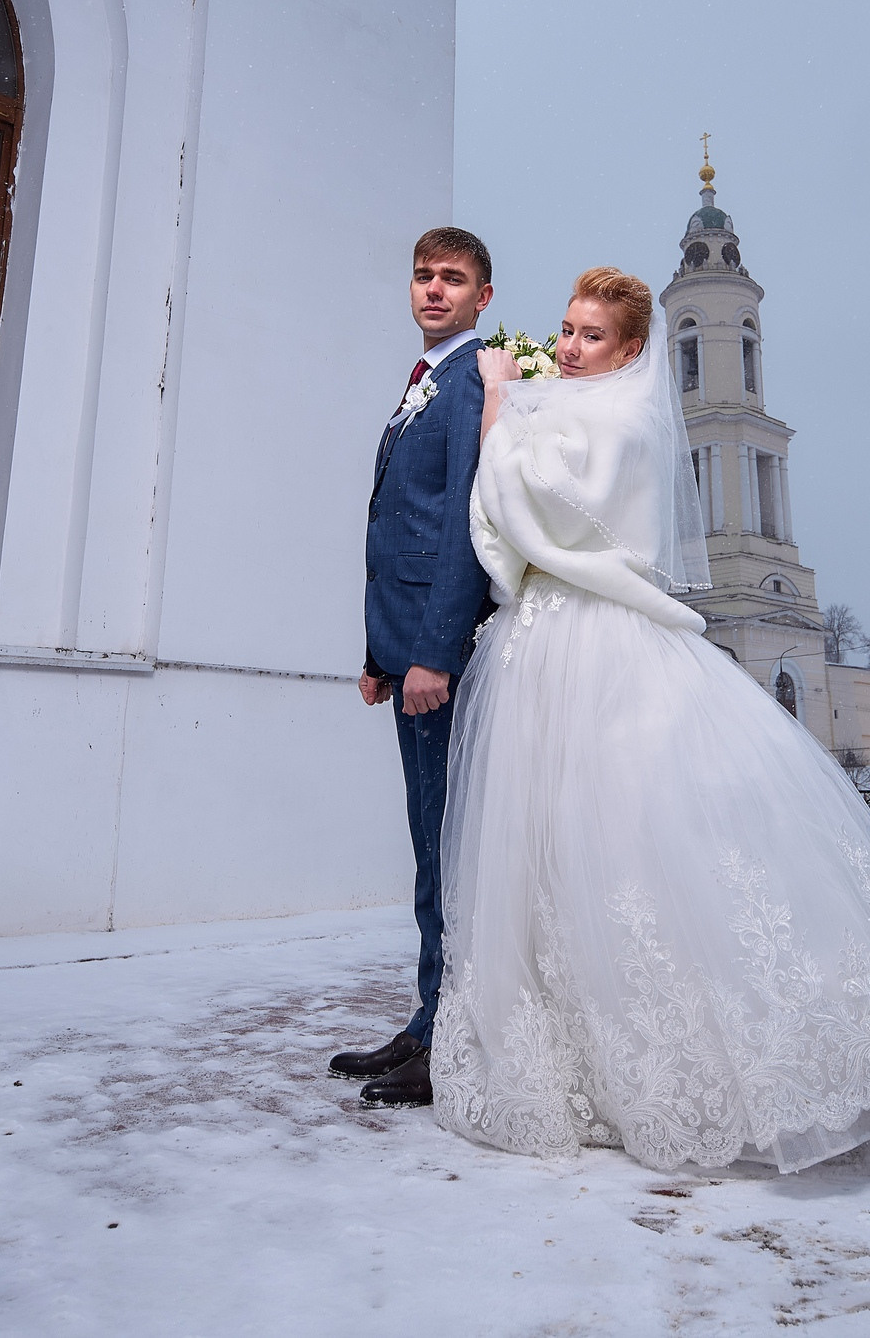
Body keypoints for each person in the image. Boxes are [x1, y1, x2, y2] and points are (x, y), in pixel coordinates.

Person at [431, 267, 870, 1171]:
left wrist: (501, 405)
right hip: (542, 645)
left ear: (631, 349)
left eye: (591, 334)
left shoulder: (626, 421)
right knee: (550, 850)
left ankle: (711, 1062)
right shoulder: (577, 411)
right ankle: (584, 1055)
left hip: (597, 643)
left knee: (631, 843)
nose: (572, 346)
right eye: (567, 329)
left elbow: (538, 508)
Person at [329, 227, 499, 1109]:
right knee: (426, 846)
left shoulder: (474, 380)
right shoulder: (423, 381)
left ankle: (449, 1040)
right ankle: (429, 1018)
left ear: (483, 297)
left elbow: (467, 520)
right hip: (404, 655)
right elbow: (396, 523)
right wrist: (379, 654)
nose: (436, 290)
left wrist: (433, 649)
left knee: (445, 849)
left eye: (455, 279)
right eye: (426, 276)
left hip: (441, 659)